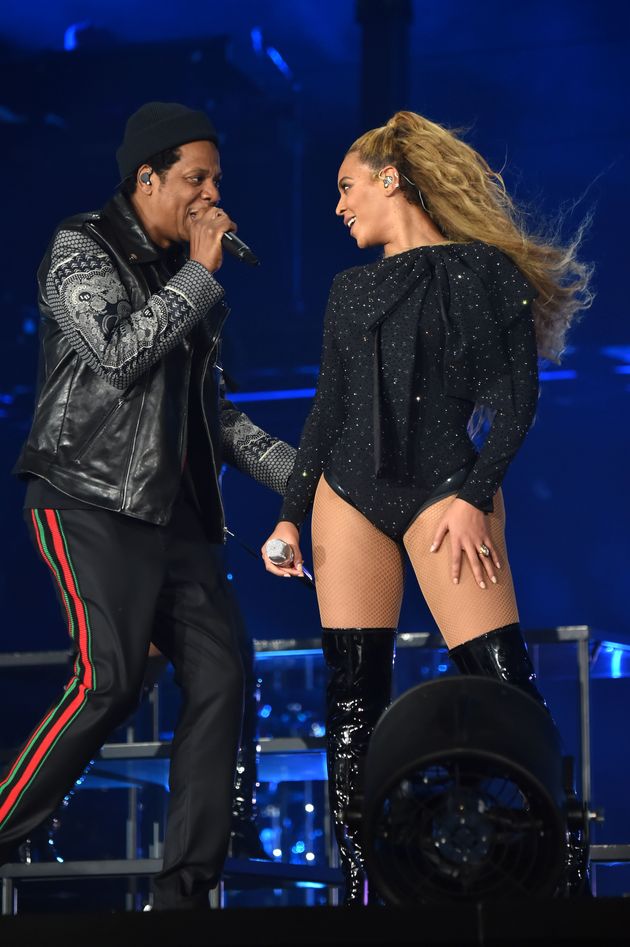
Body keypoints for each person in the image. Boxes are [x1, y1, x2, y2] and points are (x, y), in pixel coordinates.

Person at [262, 110, 592, 905]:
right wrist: (289, 513)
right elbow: (327, 409)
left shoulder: (484, 272)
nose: (337, 208)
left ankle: (562, 878)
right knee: (352, 692)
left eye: (346, 188)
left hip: (448, 492)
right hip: (348, 493)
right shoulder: (349, 290)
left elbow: (517, 402)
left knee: (505, 680)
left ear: (390, 179)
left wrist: (476, 499)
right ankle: (364, 881)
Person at [0, 101, 295, 910]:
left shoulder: (187, 284)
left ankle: (186, 893)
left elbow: (219, 419)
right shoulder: (79, 247)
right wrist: (201, 275)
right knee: (111, 679)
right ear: (148, 179)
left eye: (217, 181)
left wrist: (309, 480)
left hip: (175, 515)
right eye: (195, 179)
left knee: (224, 673)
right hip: (86, 495)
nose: (210, 196)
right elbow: (119, 352)